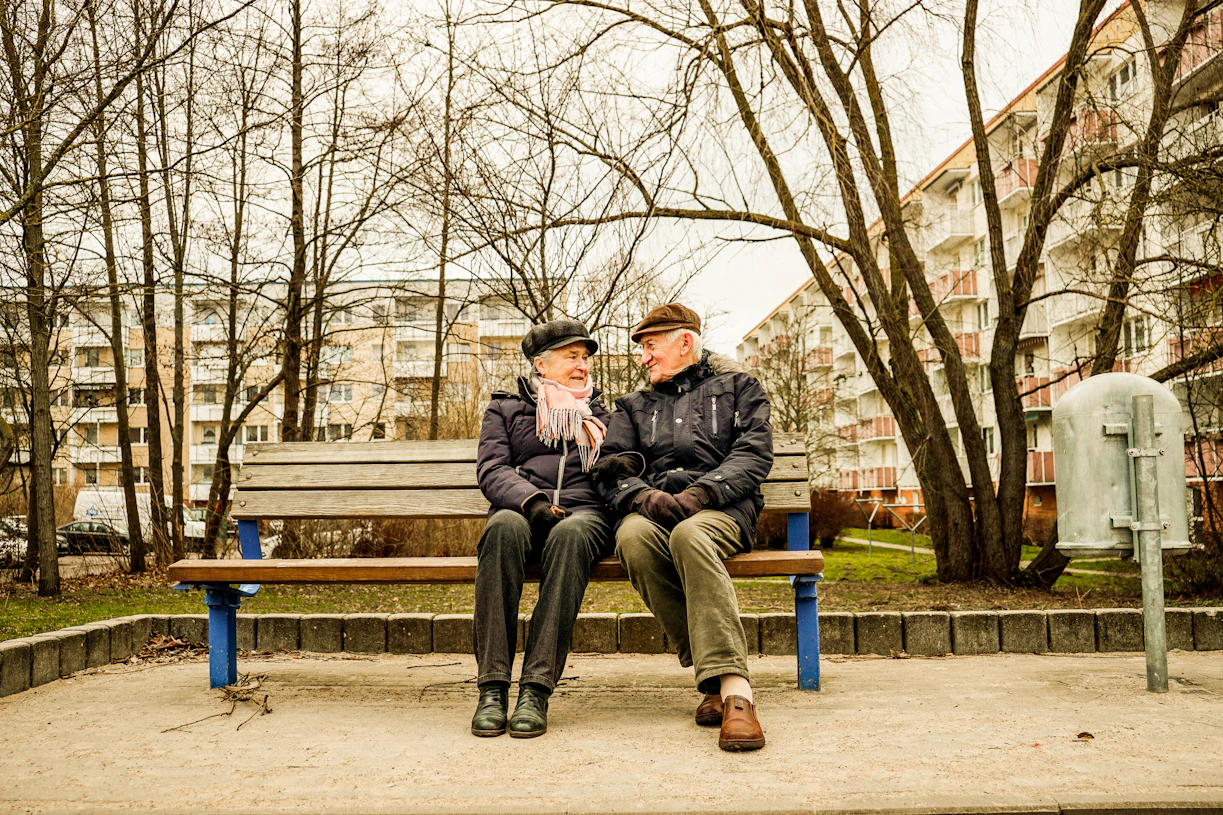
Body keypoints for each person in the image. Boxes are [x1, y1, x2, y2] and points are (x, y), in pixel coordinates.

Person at [590, 303, 773, 751]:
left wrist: (701, 494)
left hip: (722, 509)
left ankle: (735, 694)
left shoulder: (739, 388)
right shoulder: (632, 407)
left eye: (651, 346)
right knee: (631, 537)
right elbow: (611, 467)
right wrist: (641, 497)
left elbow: (752, 456)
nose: (643, 357)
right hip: (657, 510)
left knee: (689, 535)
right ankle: (714, 677)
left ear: (685, 342)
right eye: (642, 349)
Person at [471, 318, 613, 739]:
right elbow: (491, 468)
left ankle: (536, 689)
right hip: (523, 508)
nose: (583, 366)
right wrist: (531, 502)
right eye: (572, 357)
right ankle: (492, 687)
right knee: (502, 531)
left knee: (570, 536)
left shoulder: (604, 414)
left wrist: (621, 466)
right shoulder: (505, 408)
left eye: (585, 358)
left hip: (584, 514)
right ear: (541, 364)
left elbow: (619, 468)